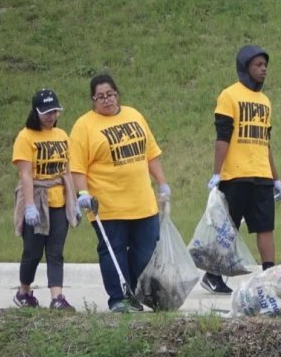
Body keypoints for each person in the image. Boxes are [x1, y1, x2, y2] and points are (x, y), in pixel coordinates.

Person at [69, 75, 170, 313]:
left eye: (110, 94)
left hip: (142, 201)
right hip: (108, 205)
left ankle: (133, 291)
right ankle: (119, 298)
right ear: (93, 100)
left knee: (146, 248)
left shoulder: (134, 115)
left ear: (118, 94)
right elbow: (77, 167)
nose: (107, 100)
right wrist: (82, 193)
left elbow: (150, 154)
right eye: (100, 97)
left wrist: (162, 183)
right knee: (112, 250)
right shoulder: (84, 126)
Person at [202, 45, 281, 294]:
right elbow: (222, 137)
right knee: (229, 228)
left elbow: (265, 142)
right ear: (245, 67)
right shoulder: (229, 96)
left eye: (265, 65)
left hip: (261, 174)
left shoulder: (265, 101)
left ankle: (269, 274)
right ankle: (213, 275)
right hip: (235, 174)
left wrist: (276, 178)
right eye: (258, 65)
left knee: (265, 226)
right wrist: (217, 173)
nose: (263, 70)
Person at [12, 89, 78, 311]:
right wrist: (29, 205)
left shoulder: (62, 135)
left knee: (56, 251)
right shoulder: (26, 137)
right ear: (36, 112)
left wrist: (74, 201)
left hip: (59, 201)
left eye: (54, 111)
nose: (51, 116)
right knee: (33, 251)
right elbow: (26, 175)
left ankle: (57, 297)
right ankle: (23, 292)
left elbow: (67, 171)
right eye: (46, 112)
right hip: (38, 199)